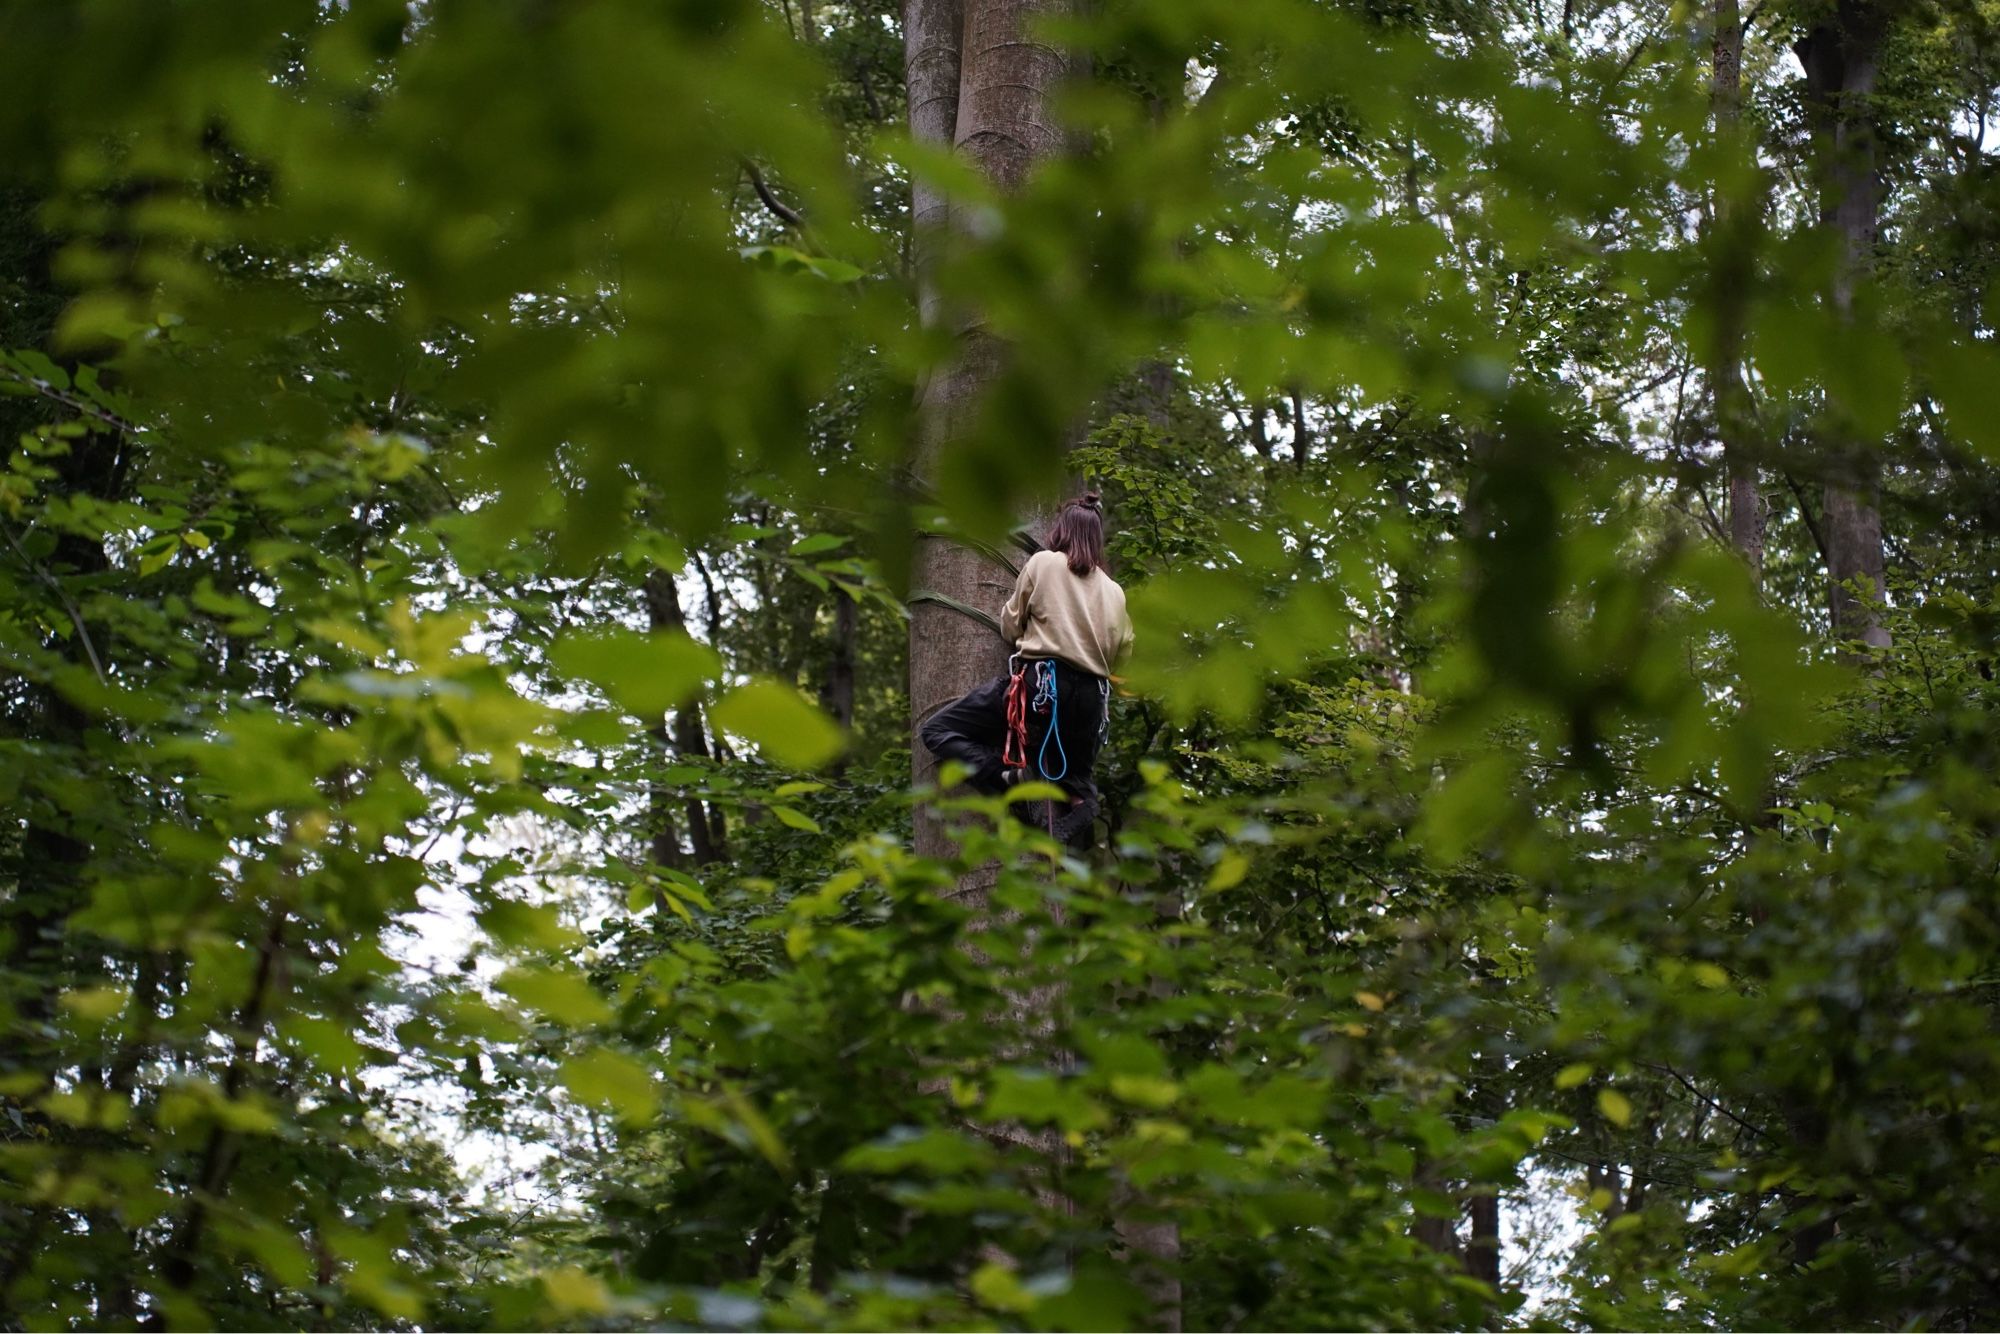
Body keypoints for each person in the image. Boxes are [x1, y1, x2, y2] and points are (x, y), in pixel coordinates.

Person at [919, 492, 1134, 847]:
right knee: (1074, 780)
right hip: (1091, 702)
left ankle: (1007, 775)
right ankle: (1084, 800)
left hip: (1042, 690)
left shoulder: (1043, 563)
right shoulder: (1115, 592)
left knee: (939, 730)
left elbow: (1011, 624)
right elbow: (1123, 656)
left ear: (1061, 530)